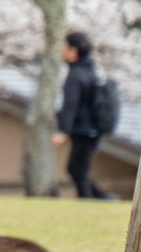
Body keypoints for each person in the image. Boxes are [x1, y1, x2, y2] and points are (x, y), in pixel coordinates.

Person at [50, 31, 117, 200]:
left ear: (73, 51)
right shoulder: (91, 72)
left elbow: (70, 105)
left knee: (77, 170)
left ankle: (93, 200)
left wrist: (62, 131)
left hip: (83, 129)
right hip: (92, 129)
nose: (61, 50)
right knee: (77, 169)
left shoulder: (75, 75)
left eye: (64, 47)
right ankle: (101, 197)